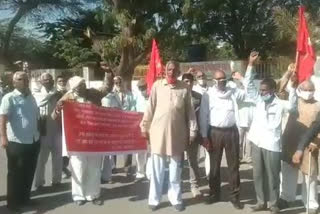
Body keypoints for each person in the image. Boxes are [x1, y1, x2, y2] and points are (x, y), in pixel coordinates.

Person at [140, 61, 197, 212]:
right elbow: (150, 109)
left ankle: (175, 199)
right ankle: (154, 199)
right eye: (169, 69)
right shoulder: (158, 86)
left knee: (175, 170)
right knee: (157, 169)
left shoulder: (184, 88)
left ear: (179, 71)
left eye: (174, 69)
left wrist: (192, 131)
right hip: (158, 134)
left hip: (177, 135)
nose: (171, 72)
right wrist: (144, 126)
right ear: (165, 71)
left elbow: (190, 113)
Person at [244, 52, 297, 214]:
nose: (262, 93)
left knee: (273, 175)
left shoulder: (280, 104)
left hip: (272, 144)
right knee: (258, 174)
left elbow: (293, 107)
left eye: (265, 90)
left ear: (273, 90)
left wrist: (293, 88)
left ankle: (273, 204)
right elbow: (248, 85)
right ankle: (261, 202)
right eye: (261, 90)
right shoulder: (258, 100)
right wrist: (251, 65)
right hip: (257, 142)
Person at [199, 63, 250, 209]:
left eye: (223, 79)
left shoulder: (233, 92)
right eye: (218, 79)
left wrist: (242, 79)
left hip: (231, 132)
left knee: (234, 166)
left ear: (226, 80)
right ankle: (214, 194)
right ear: (214, 81)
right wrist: (204, 136)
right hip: (214, 133)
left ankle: (235, 196)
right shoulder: (208, 95)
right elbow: (203, 116)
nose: (221, 82)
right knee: (214, 166)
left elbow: (249, 92)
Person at [52, 76, 103, 206]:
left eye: (84, 83)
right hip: (76, 140)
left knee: (94, 168)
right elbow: (54, 116)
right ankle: (79, 196)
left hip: (94, 138)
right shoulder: (67, 97)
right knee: (78, 168)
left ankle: (93, 194)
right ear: (74, 87)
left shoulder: (93, 95)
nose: (83, 86)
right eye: (80, 85)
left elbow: (106, 88)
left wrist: (108, 74)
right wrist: (58, 108)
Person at [0, 72, 40, 212]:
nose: (24, 81)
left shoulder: (31, 97)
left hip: (33, 140)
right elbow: (3, 118)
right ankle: (13, 203)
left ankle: (25, 198)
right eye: (20, 79)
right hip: (16, 142)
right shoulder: (9, 98)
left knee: (29, 171)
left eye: (26, 79)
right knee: (15, 173)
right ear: (14, 82)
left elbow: (35, 116)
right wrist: (3, 137)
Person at [279, 80, 320, 214]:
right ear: (299, 90)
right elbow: (280, 88)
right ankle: (286, 197)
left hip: (310, 145)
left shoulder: (318, 106)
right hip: (290, 143)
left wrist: (317, 142)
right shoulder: (293, 103)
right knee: (288, 172)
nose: (308, 92)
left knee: (310, 175)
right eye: (305, 89)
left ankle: (311, 203)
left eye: (310, 89)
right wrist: (291, 77)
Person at [100, 76, 136, 182]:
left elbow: (133, 106)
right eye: (116, 82)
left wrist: (131, 117)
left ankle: (127, 168)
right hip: (114, 123)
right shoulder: (109, 94)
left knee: (128, 146)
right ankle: (112, 167)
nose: (118, 83)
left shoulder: (129, 93)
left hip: (126, 123)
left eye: (120, 81)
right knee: (112, 147)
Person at [33, 73, 63, 190]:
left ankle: (57, 181)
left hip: (57, 129)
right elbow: (39, 103)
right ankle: (39, 182)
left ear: (53, 80)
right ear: (41, 82)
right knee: (41, 159)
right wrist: (52, 94)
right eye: (45, 80)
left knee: (57, 158)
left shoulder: (59, 94)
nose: (48, 81)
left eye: (50, 79)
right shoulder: (36, 94)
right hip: (43, 130)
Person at [181, 73, 202, 198]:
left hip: (193, 134)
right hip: (178, 133)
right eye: (185, 81)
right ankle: (177, 184)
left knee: (192, 160)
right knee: (177, 161)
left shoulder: (198, 97)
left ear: (193, 82)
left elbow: (202, 116)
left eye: (189, 81)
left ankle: (194, 186)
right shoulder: (176, 96)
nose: (187, 84)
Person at [193, 70, 210, 178]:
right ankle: (196, 174)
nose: (201, 78)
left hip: (208, 125)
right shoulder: (193, 90)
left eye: (203, 76)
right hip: (195, 125)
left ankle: (209, 175)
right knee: (195, 153)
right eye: (199, 76)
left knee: (208, 151)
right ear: (196, 78)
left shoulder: (211, 90)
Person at [133, 79, 149, 181]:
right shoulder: (137, 96)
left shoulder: (152, 96)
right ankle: (140, 172)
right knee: (139, 152)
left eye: (143, 88)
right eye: (140, 88)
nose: (142, 90)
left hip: (151, 127)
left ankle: (149, 172)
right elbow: (133, 109)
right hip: (139, 127)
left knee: (150, 151)